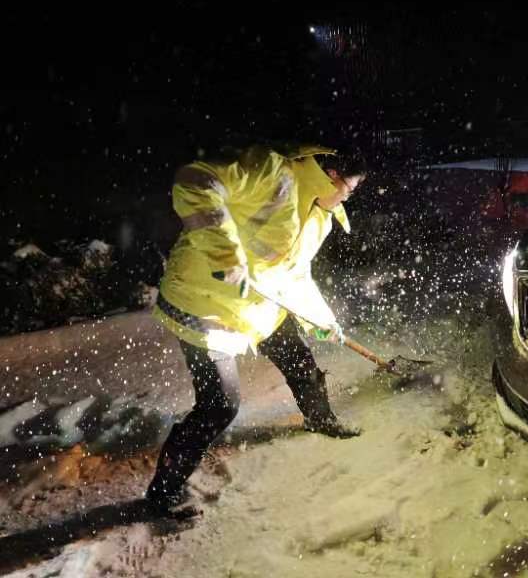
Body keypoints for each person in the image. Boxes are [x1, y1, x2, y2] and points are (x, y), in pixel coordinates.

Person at [146, 142, 366, 514]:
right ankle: (163, 493)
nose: (350, 195)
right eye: (352, 187)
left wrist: (323, 320)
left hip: (257, 308)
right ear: (332, 176)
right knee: (219, 405)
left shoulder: (318, 216)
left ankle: (321, 420)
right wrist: (225, 255)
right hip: (205, 306)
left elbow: (293, 276)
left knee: (301, 363)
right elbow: (195, 181)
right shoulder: (273, 174)